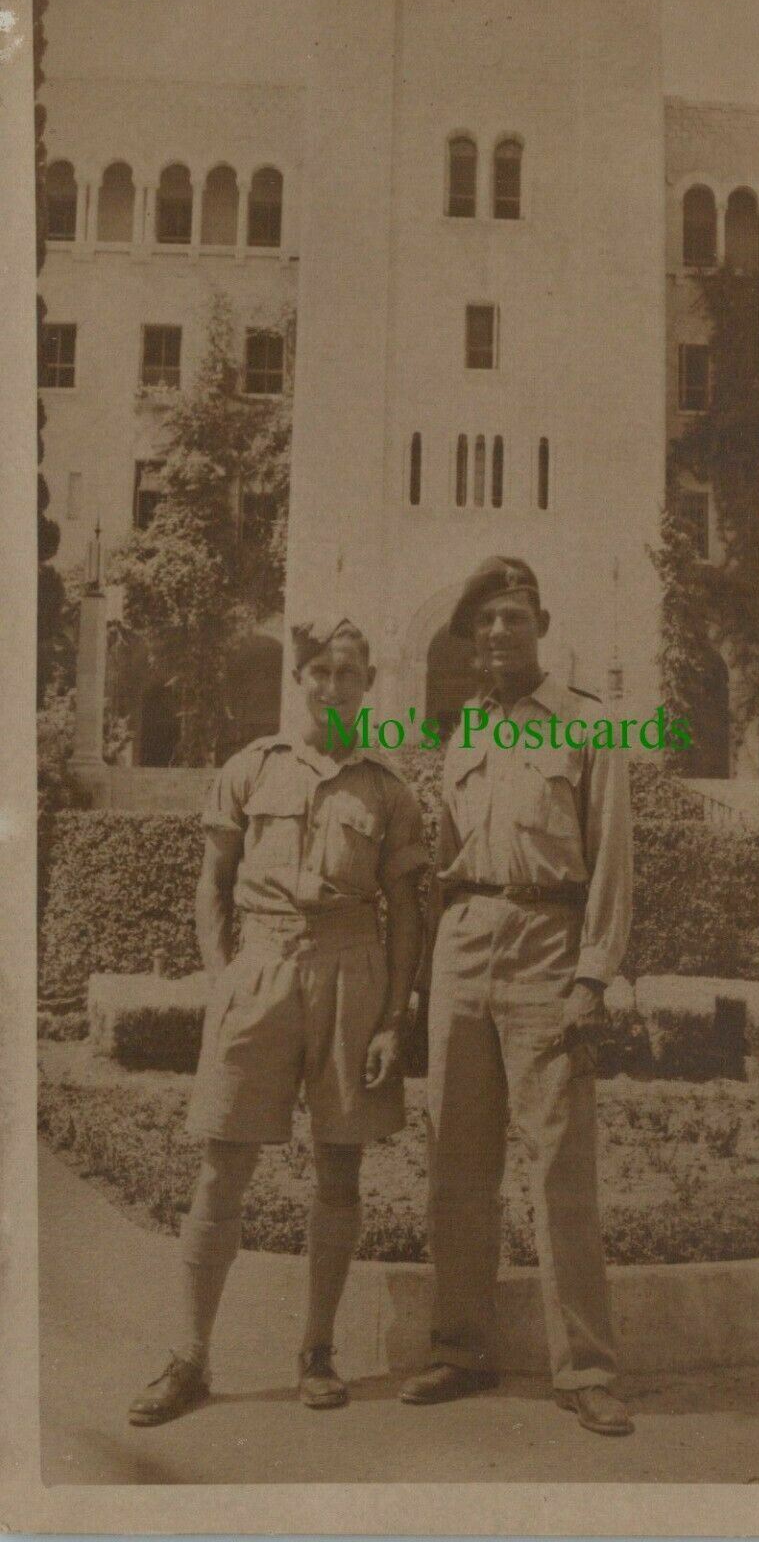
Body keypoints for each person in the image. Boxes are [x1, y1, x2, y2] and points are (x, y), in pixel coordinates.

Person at [128, 617, 427, 1426]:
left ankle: (317, 1350)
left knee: (339, 1171)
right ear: (298, 681)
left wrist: (392, 1020)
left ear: (369, 685)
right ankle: (188, 1356)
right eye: (319, 672)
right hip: (258, 970)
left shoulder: (387, 790)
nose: (333, 687)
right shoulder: (249, 769)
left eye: (348, 674)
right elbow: (211, 882)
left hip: (349, 971)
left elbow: (406, 912)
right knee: (221, 1169)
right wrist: (222, 975)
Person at [400, 557, 635, 1436]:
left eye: (513, 615)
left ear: (539, 622)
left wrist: (593, 975)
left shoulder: (586, 725)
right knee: (457, 1161)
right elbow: (446, 856)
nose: (499, 632)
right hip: (463, 947)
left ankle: (585, 1369)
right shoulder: (464, 729)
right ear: (471, 639)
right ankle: (459, 1346)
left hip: (547, 945)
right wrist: (424, 977)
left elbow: (611, 857)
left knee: (560, 1165)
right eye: (486, 621)